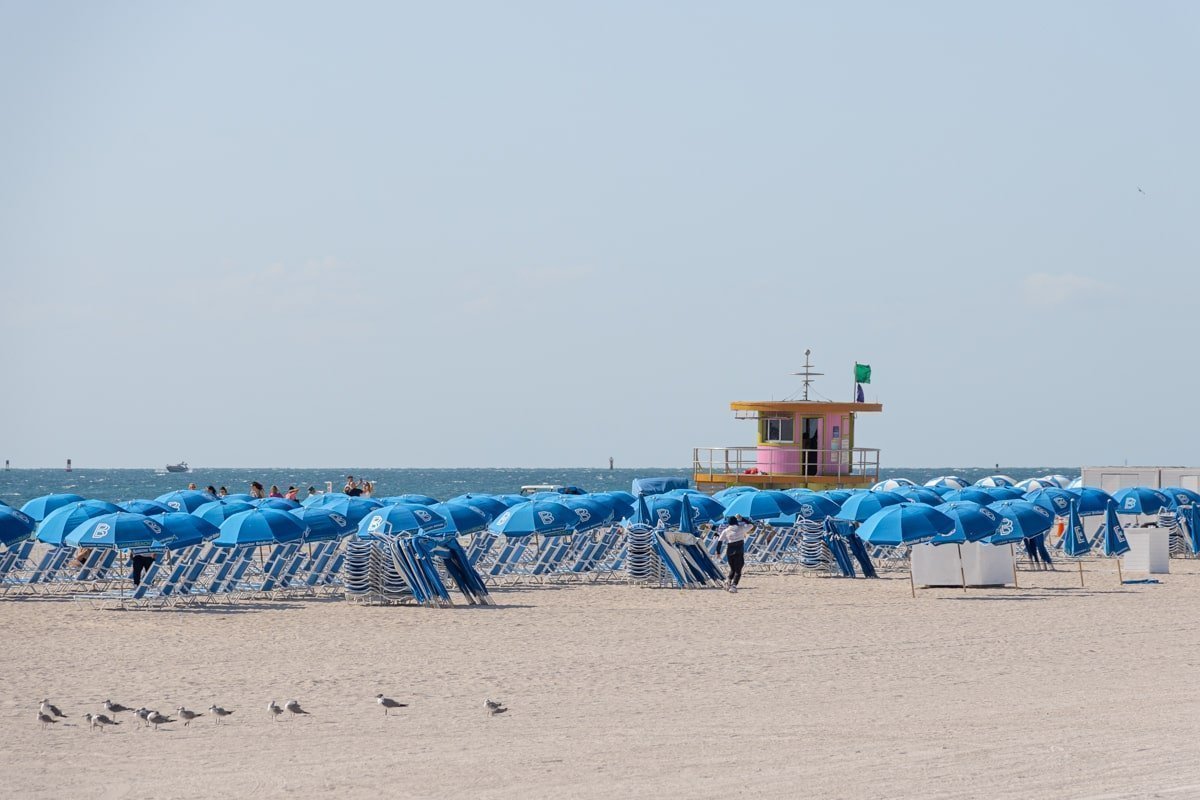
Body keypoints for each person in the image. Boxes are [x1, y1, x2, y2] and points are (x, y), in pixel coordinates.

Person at [714, 515, 754, 593]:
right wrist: (742, 518)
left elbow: (719, 541)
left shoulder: (725, 530)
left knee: (733, 568)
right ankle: (733, 585)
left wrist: (718, 552)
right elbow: (751, 525)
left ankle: (728, 581)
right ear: (736, 521)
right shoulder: (741, 528)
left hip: (729, 550)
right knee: (738, 570)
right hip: (739, 550)